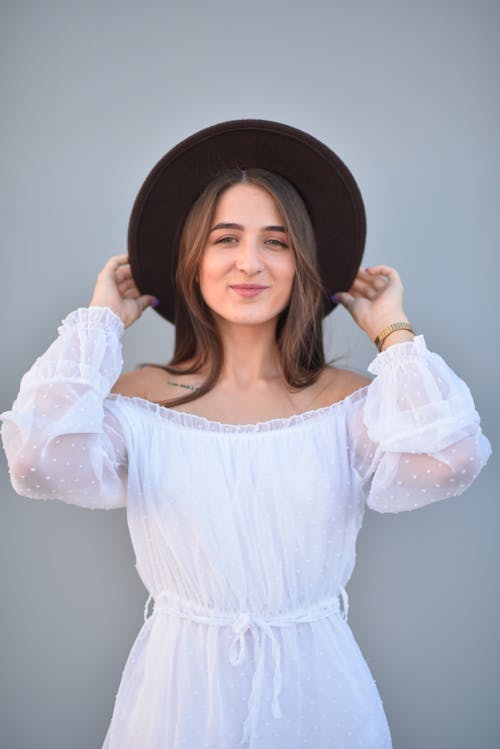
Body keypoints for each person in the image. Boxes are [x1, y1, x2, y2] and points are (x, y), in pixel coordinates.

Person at [0, 120, 492, 749]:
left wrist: (392, 332)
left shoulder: (348, 405)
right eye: (225, 239)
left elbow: (452, 459)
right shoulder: (139, 400)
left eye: (277, 242)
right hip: (180, 697)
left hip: (318, 692)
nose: (250, 263)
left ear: (301, 264)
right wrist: (98, 323)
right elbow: (38, 460)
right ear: (193, 260)